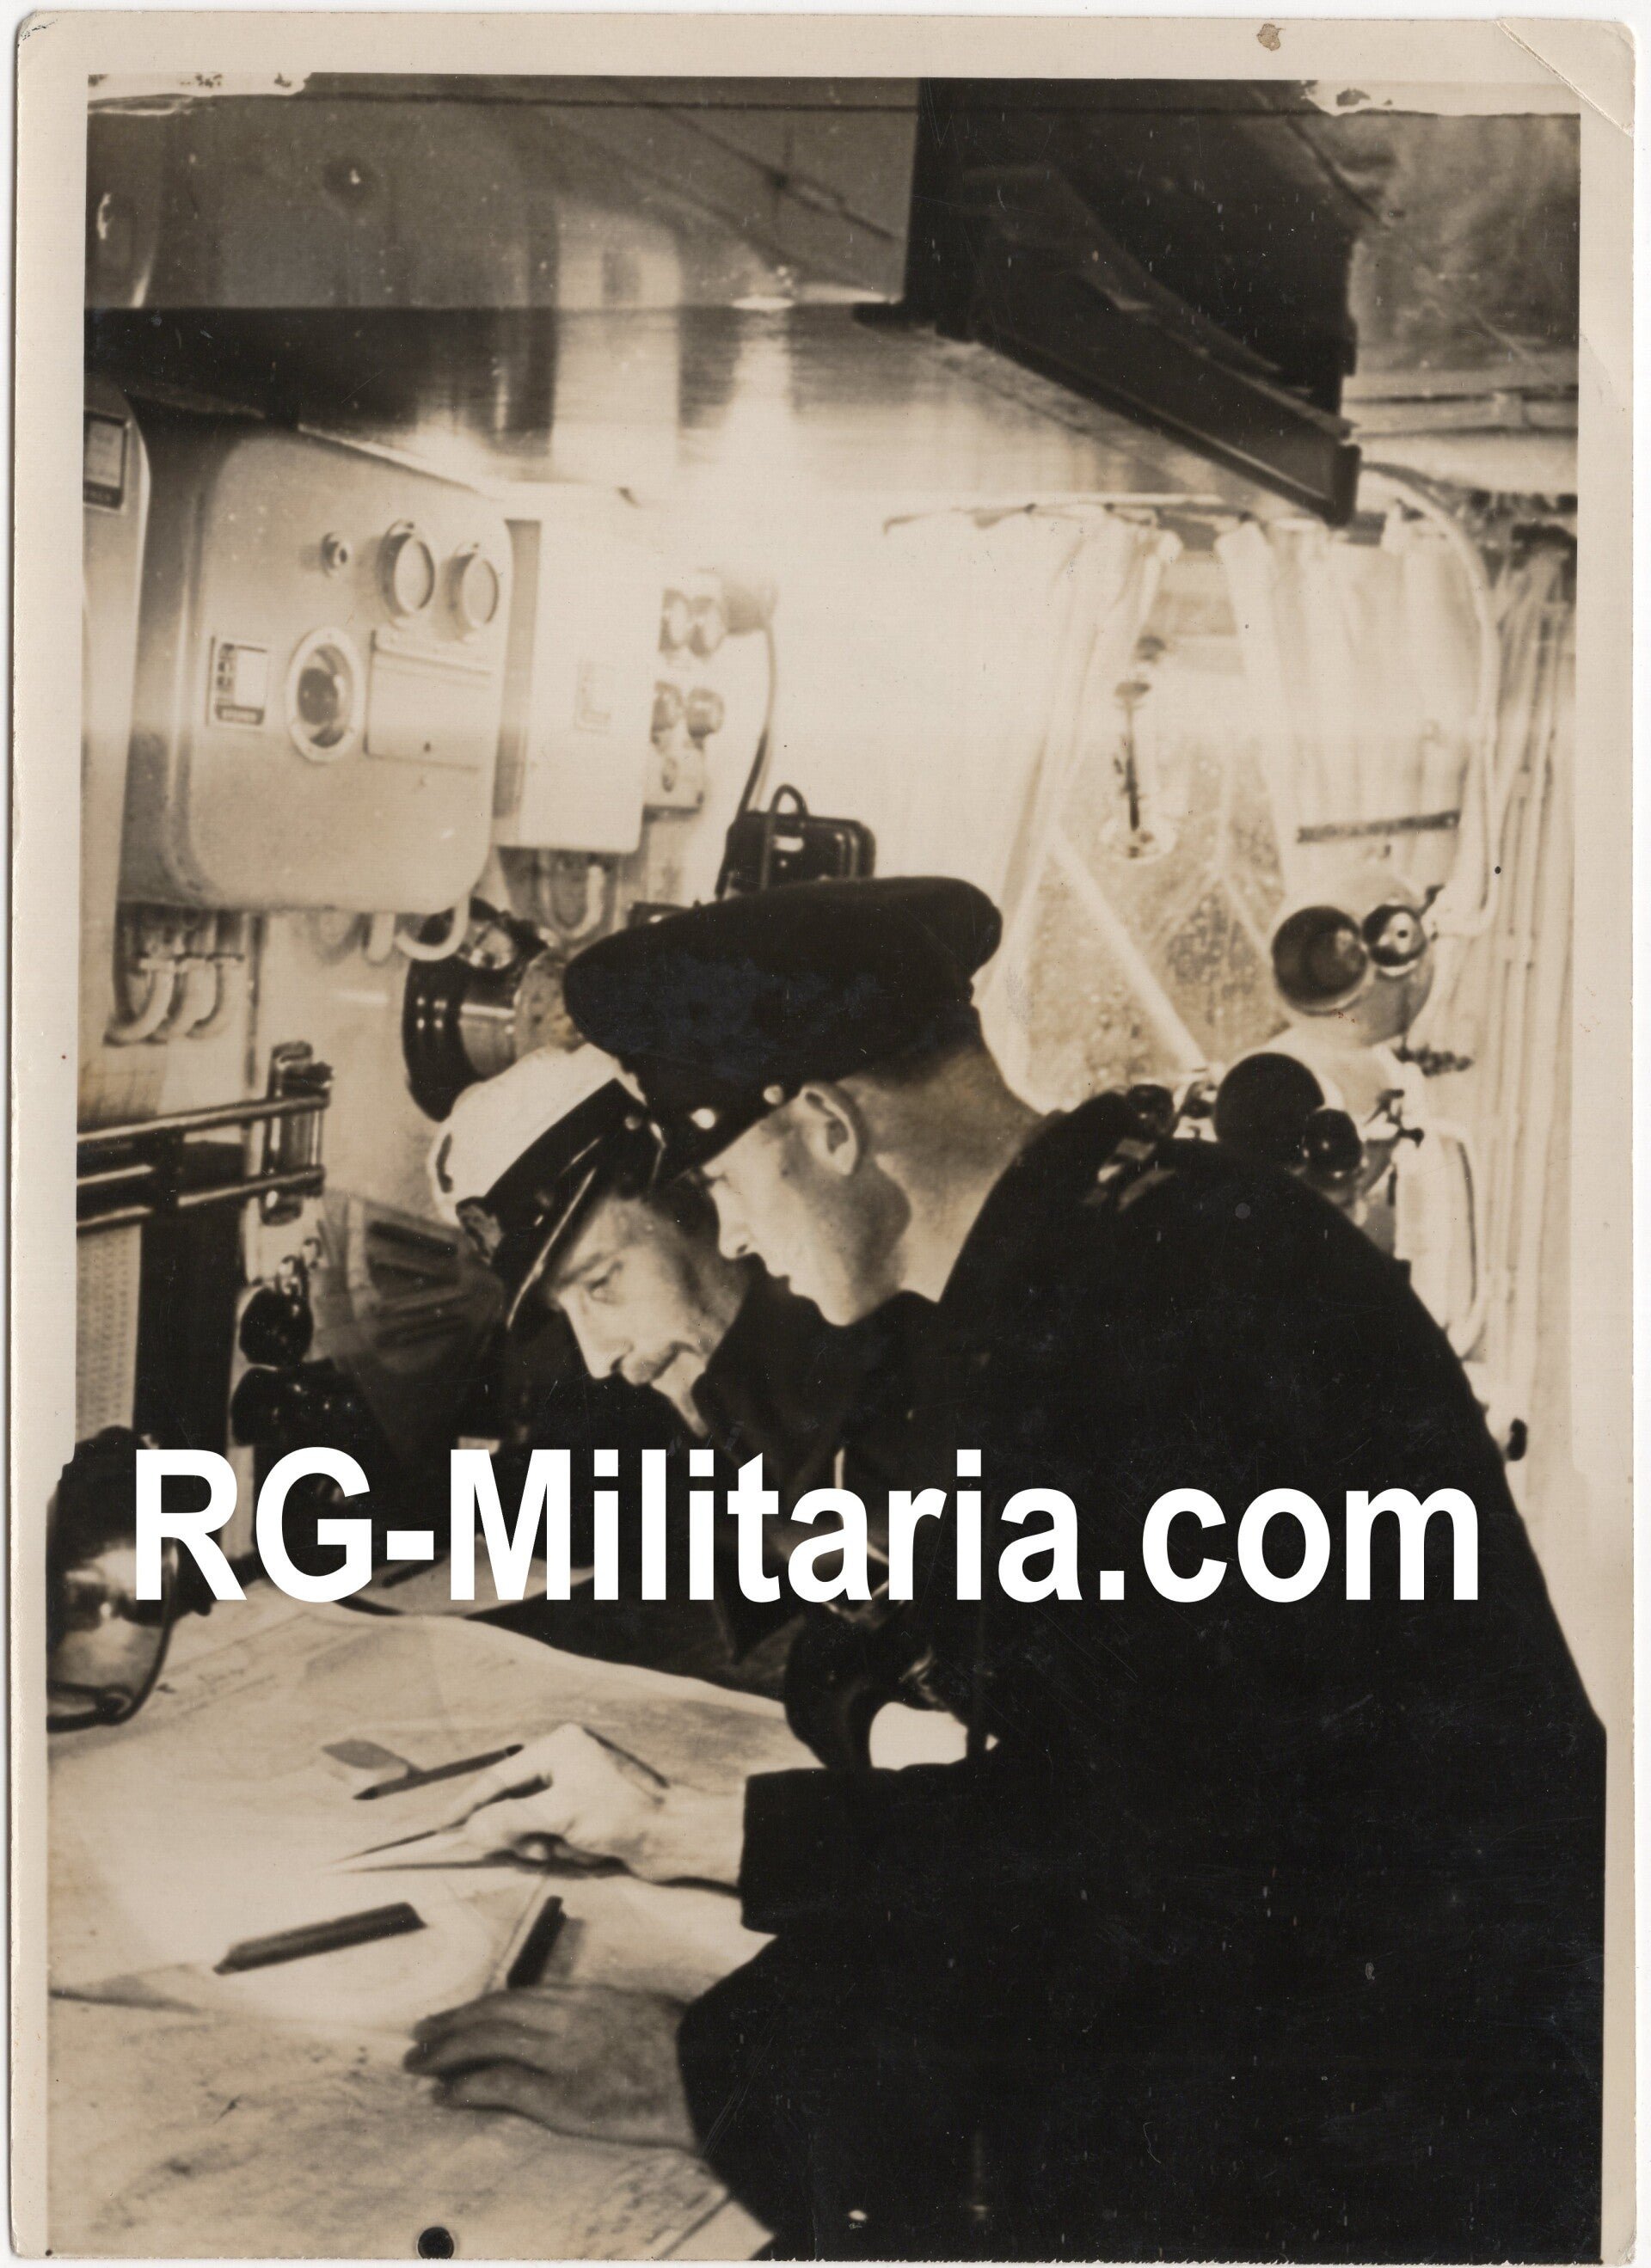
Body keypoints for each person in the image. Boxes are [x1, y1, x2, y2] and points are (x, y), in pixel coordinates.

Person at [413, 878, 1605, 2263]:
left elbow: (1145, 1896)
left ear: (827, 1129)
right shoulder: (1146, 1247)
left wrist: (720, 2077)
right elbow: (1087, 1805)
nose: (733, 1233)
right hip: (1442, 2065)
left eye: (731, 1182)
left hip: (1419, 2153)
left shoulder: (1133, 1337)